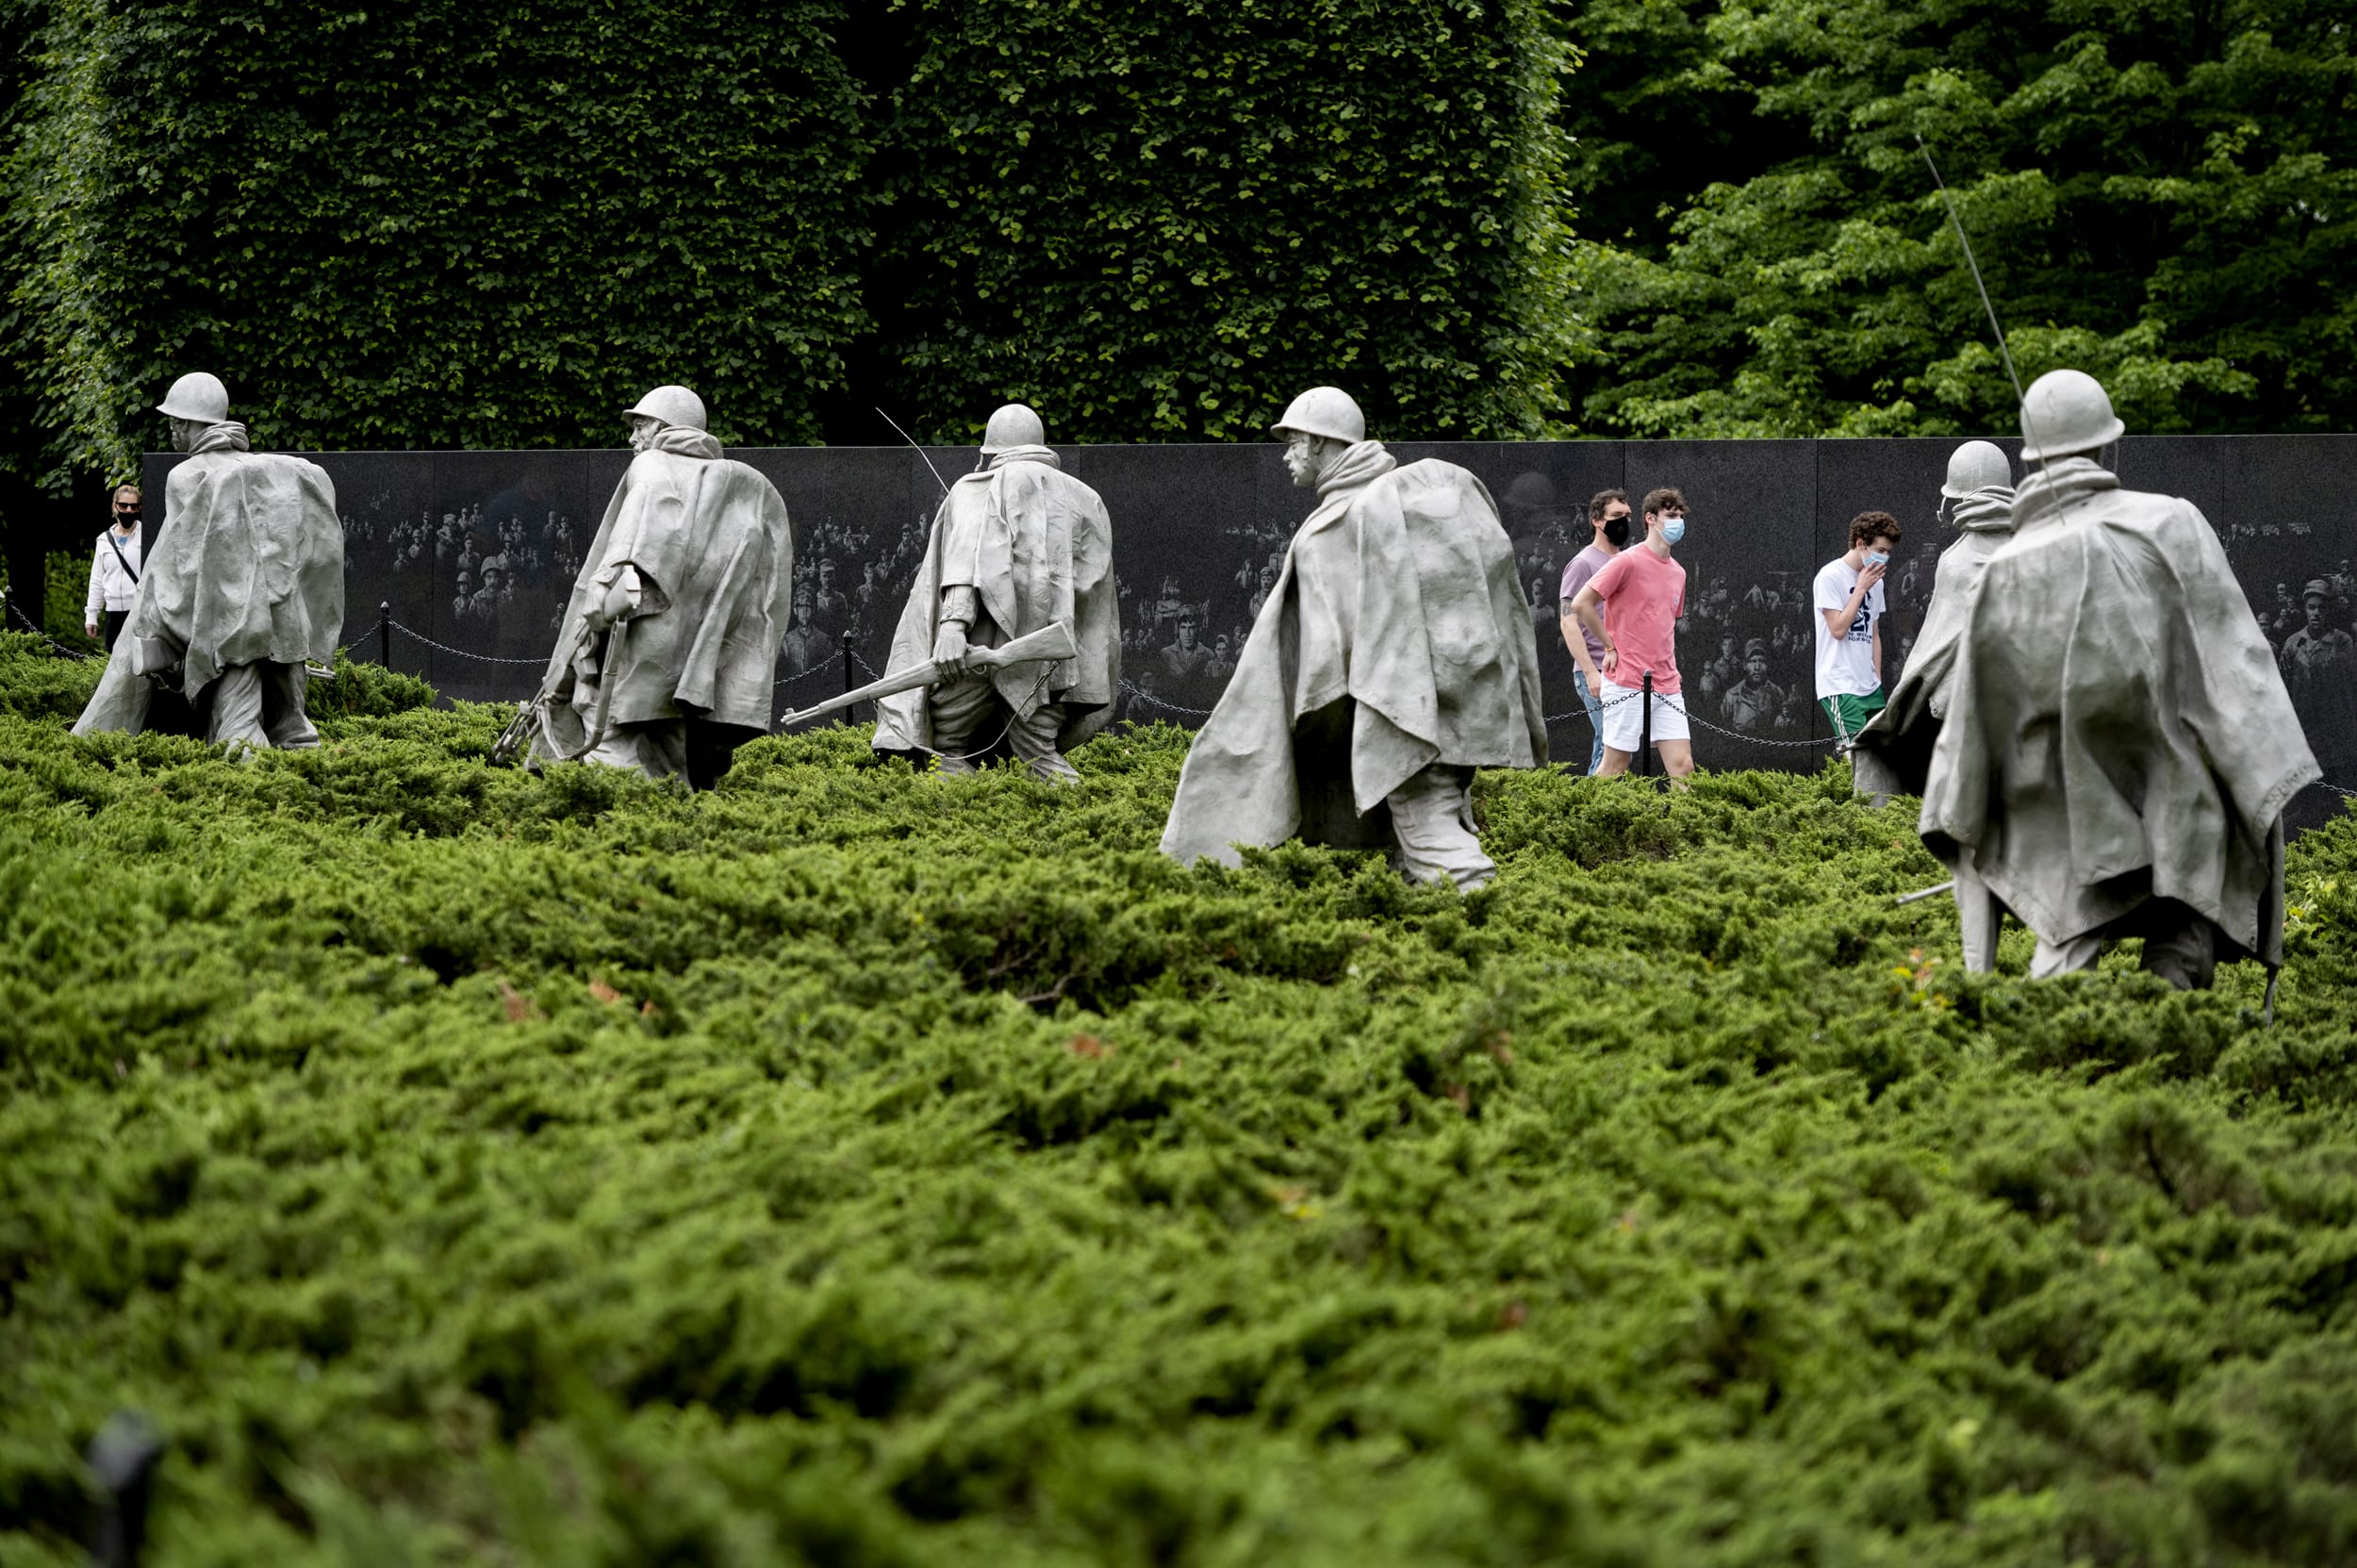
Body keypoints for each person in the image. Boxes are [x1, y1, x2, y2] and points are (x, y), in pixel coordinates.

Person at [1921, 370, 2318, 990]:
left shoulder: (2005, 565)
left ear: (2033, 460)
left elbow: (1972, 713)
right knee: (2182, 925)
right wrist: (2261, 780)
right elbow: (2240, 664)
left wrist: (1961, 806)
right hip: (2173, 802)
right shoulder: (2174, 523)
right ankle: (2170, 1011)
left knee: (2066, 936)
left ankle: (2054, 1042)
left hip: (2062, 822)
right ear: (2110, 448)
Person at [1161, 387, 1547, 888]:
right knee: (1411, 852)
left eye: (1293, 441)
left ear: (1321, 443)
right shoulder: (1397, 507)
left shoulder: (1339, 522)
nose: (1286, 455)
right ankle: (1431, 947)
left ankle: (1488, 940)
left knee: (1436, 843)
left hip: (1401, 722)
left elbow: (1326, 656)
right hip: (1442, 711)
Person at [519, 385, 793, 787]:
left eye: (640, 426)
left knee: (611, 732)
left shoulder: (652, 468)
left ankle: (621, 821)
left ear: (664, 427)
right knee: (670, 743)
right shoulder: (744, 484)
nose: (633, 438)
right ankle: (678, 824)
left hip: (642, 635)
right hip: (695, 654)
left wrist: (597, 603)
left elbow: (637, 547)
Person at [73, 373, 341, 752]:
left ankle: (246, 784)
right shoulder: (273, 470)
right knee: (293, 728)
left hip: (232, 622)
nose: (172, 433)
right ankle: (300, 768)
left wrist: (157, 621)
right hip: (283, 615)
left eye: (173, 424)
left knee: (239, 731)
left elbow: (175, 563)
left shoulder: (186, 475)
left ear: (185, 424)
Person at [872, 403, 1120, 783]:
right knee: (1039, 754)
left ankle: (960, 814)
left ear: (990, 451)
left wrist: (954, 625)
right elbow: (1092, 589)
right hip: (1054, 662)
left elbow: (968, 552)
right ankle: (1086, 819)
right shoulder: (1088, 500)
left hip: (980, 653)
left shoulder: (980, 486)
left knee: (943, 745)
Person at [1851, 441, 2015, 969]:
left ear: (1957, 497)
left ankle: (1974, 958)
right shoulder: (2041, 548)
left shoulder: (1957, 559)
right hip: (2027, 720)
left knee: (1877, 751)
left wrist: (1896, 712)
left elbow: (1932, 657)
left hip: (1963, 719)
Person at [1566, 487, 1693, 784]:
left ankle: (1686, 829)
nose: (1678, 522)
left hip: (1668, 684)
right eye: (1671, 515)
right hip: (1626, 681)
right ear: (1650, 518)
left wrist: (1671, 668)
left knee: (1683, 767)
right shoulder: (1627, 561)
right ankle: (1582, 822)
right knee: (1615, 766)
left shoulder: (1679, 572)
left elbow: (1663, 626)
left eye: (1680, 516)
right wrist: (1609, 648)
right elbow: (1581, 604)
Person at [1556, 487, 1631, 774]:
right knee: (1609, 749)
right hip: (1598, 671)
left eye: (1626, 516)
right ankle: (1589, 813)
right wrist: (1589, 672)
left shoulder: (1627, 561)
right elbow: (1568, 620)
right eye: (1616, 516)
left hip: (1627, 672)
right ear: (1597, 521)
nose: (1623, 522)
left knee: (1619, 752)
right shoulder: (1583, 563)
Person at [1813, 511, 1902, 749]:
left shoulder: (1878, 583)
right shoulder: (1830, 576)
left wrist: (1877, 679)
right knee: (1855, 761)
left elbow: (1874, 634)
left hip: (1869, 686)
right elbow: (1838, 629)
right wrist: (1860, 588)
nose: (1885, 558)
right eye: (1880, 551)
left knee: (1882, 758)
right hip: (1840, 685)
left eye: (1888, 552)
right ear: (1861, 544)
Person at [82, 486, 143, 650]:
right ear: (114, 506)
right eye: (124, 505)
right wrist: (91, 616)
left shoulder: (146, 536)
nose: (129, 510)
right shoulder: (103, 541)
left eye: (134, 506)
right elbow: (97, 580)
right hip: (113, 614)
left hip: (138, 612)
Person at [1719, 639, 1783, 733]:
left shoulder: (1777, 694)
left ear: (1767, 665)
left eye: (1761, 661)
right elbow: (1723, 727)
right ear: (1745, 665)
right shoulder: (1731, 696)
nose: (1757, 667)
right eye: (1753, 661)